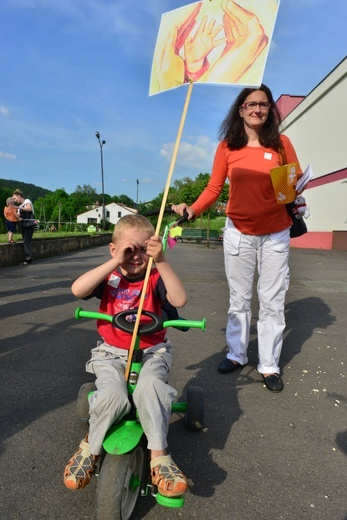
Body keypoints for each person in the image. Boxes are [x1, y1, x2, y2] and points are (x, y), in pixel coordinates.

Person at [172, 84, 304, 393]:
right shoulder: (227, 146)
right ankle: (236, 354)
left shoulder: (282, 143)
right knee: (239, 299)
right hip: (239, 232)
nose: (258, 109)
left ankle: (269, 365)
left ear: (270, 109)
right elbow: (213, 188)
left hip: (275, 232)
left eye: (264, 104)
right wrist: (192, 210)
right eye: (251, 104)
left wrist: (295, 186)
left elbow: (289, 189)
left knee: (272, 300)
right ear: (240, 110)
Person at [64, 214, 189, 497]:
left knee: (150, 387)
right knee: (113, 395)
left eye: (143, 250)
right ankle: (90, 448)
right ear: (114, 249)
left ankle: (159, 455)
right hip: (111, 352)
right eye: (128, 249)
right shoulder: (110, 276)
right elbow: (77, 289)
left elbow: (179, 300)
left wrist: (162, 261)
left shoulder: (154, 276)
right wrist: (115, 261)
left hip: (151, 351)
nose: (136, 256)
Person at [12, 189, 35, 265]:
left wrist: (19, 208)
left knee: (26, 241)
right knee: (25, 241)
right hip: (23, 225)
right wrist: (14, 212)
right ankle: (27, 257)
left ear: (19, 196)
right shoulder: (20, 206)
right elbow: (19, 217)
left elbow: (29, 208)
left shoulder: (27, 201)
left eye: (15, 198)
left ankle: (28, 258)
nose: (15, 200)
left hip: (29, 225)